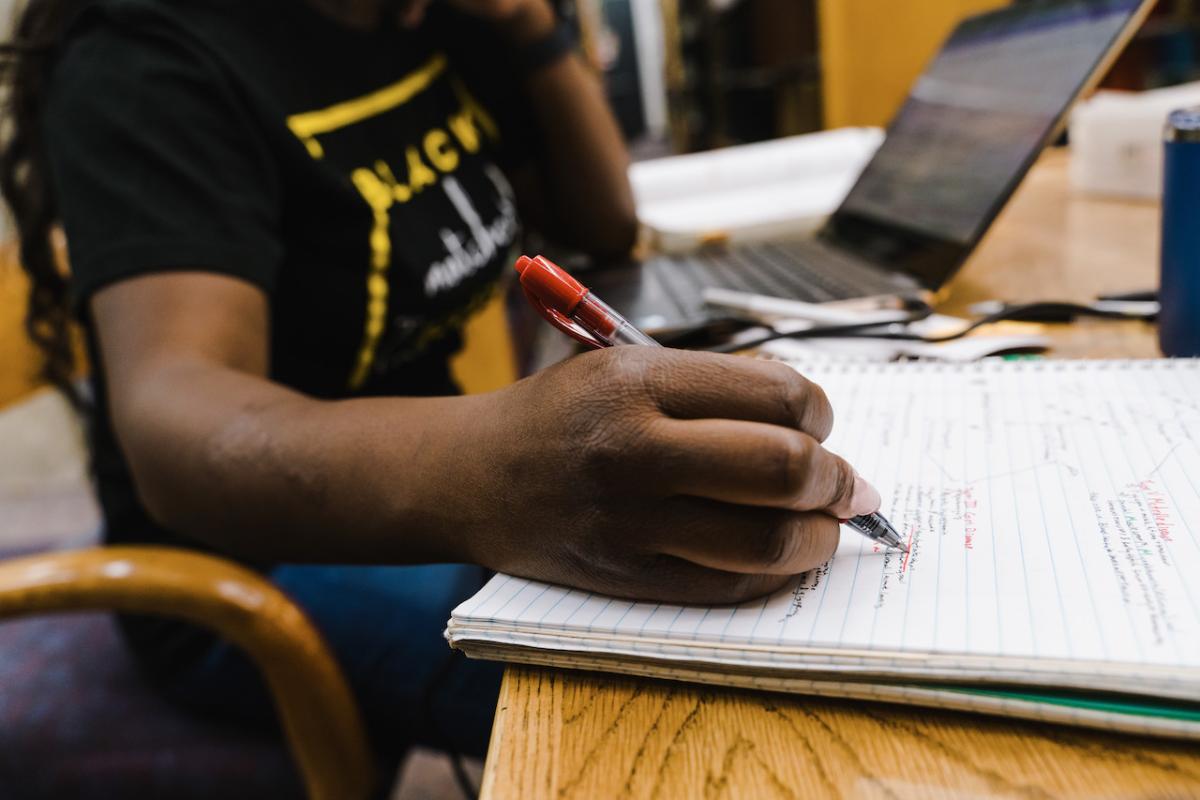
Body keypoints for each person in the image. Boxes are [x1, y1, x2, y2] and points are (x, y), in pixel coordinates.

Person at [0, 0, 881, 781]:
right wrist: (500, 463)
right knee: (709, 718)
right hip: (245, 556)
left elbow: (604, 225)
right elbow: (180, 430)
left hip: (425, 496)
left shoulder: (432, 23)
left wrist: (531, 25)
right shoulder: (151, 56)